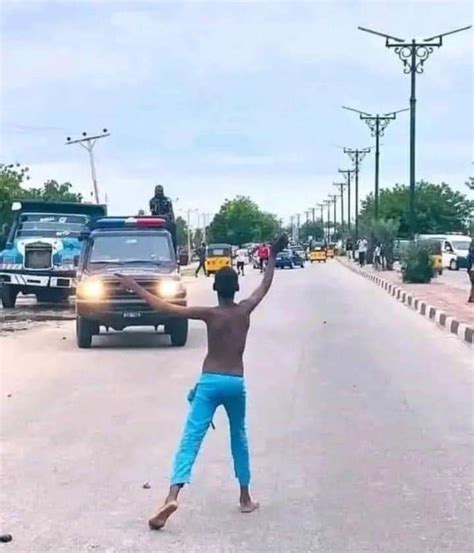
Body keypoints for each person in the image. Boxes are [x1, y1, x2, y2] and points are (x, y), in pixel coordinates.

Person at [114, 234, 288, 530]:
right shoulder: (244, 310)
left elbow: (167, 308)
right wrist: (271, 255)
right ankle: (245, 498)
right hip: (235, 382)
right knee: (239, 437)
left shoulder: (210, 314)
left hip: (209, 382)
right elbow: (265, 286)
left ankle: (172, 495)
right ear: (235, 288)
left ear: (214, 288)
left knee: (190, 440)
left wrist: (135, 287)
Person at [149, 185, 177, 252]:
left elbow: (171, 212)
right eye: (157, 191)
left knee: (172, 238)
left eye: (160, 191)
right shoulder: (152, 201)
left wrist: (172, 221)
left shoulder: (167, 200)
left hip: (166, 221)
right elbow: (153, 212)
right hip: (156, 222)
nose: (159, 192)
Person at [467, 238, 474, 303]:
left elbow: (468, 263)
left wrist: (468, 271)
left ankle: (471, 297)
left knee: (473, 284)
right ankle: (471, 297)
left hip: (471, 270)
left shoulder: (470, 253)